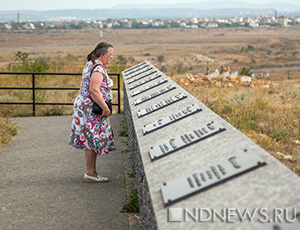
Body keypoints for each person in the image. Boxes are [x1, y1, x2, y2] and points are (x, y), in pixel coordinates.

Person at [68, 41, 115, 183]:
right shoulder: (98, 69)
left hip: (85, 108)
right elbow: (94, 90)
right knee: (90, 140)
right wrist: (105, 108)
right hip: (91, 110)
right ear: (103, 55)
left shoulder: (90, 64)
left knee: (90, 140)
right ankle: (90, 173)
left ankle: (92, 173)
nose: (111, 58)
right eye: (110, 55)